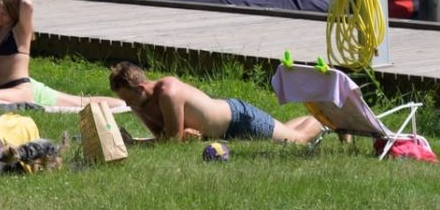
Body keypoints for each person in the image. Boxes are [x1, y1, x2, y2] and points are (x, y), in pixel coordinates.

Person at [0, 0, 126, 108]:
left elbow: (28, 5)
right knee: (78, 101)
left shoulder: (21, 30)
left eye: (3, 13)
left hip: (20, 88)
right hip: (5, 89)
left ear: (13, 10)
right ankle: (125, 103)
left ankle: (124, 104)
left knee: (81, 102)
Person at [108, 61, 322, 144]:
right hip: (224, 129)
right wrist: (181, 136)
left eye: (128, 99)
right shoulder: (139, 103)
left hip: (238, 120)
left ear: (140, 88)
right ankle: (316, 117)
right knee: (285, 130)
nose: (128, 105)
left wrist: (134, 142)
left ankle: (326, 120)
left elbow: (171, 141)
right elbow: (162, 137)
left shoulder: (168, 91)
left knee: (299, 140)